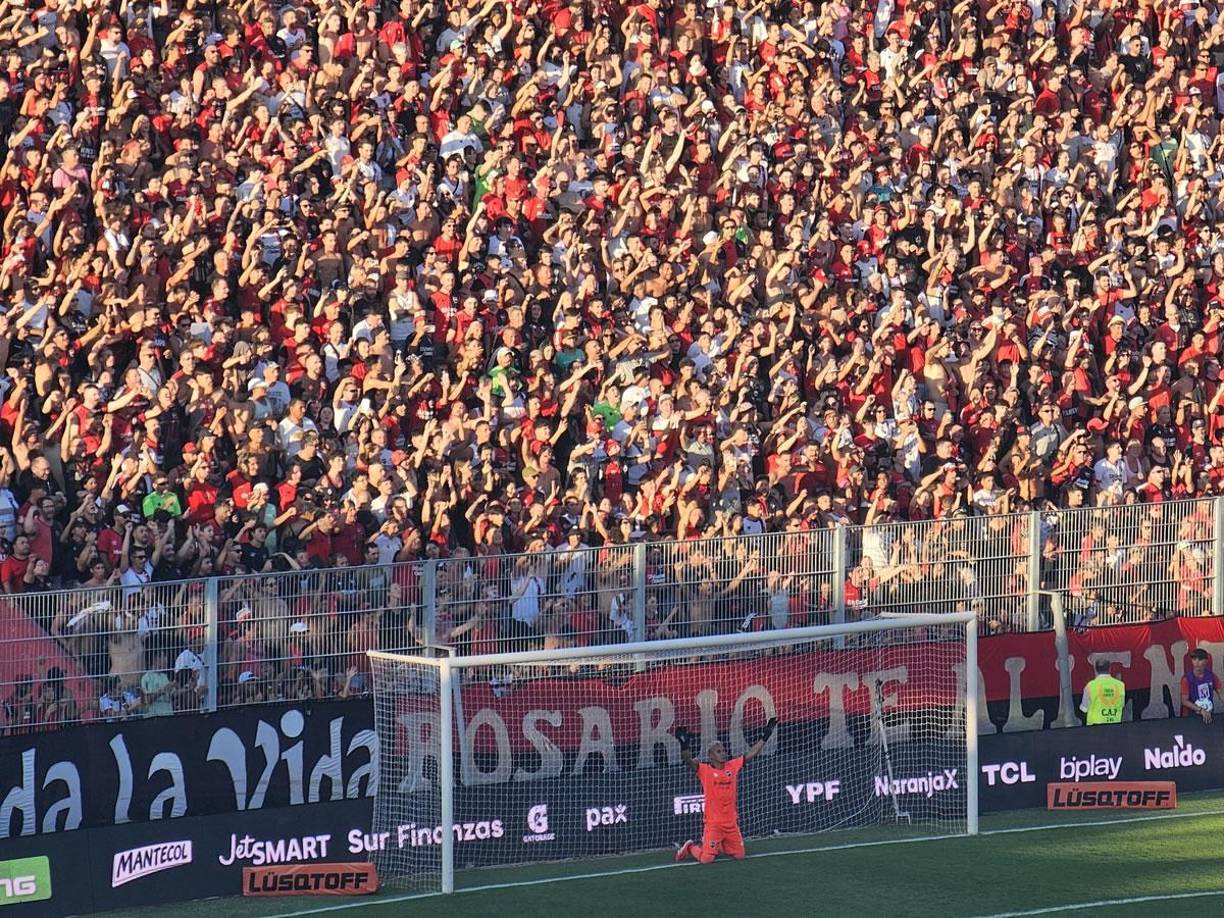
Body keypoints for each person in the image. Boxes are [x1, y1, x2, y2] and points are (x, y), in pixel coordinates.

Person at [674, 718, 777, 864]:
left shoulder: (732, 766)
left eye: (723, 750)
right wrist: (684, 744)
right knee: (707, 859)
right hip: (714, 824)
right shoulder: (704, 770)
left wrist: (766, 735)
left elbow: (751, 754)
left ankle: (717, 844)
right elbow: (688, 760)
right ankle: (690, 847)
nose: (723, 753)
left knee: (740, 856)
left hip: (731, 823)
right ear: (711, 755)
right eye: (718, 751)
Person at [1080, 659, 1126, 726]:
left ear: (1096, 669)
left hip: (1095, 726)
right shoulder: (1120, 685)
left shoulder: (1090, 686)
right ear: (1110, 668)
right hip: (1115, 724)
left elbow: (1084, 709)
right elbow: (1122, 705)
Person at [1180, 649, 1221, 724]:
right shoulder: (1186, 679)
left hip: (1209, 715)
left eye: (1200, 659)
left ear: (1206, 661)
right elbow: (1184, 701)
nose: (1197, 662)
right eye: (1194, 659)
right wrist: (1201, 710)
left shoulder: (1211, 676)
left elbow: (1221, 693)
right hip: (1191, 717)